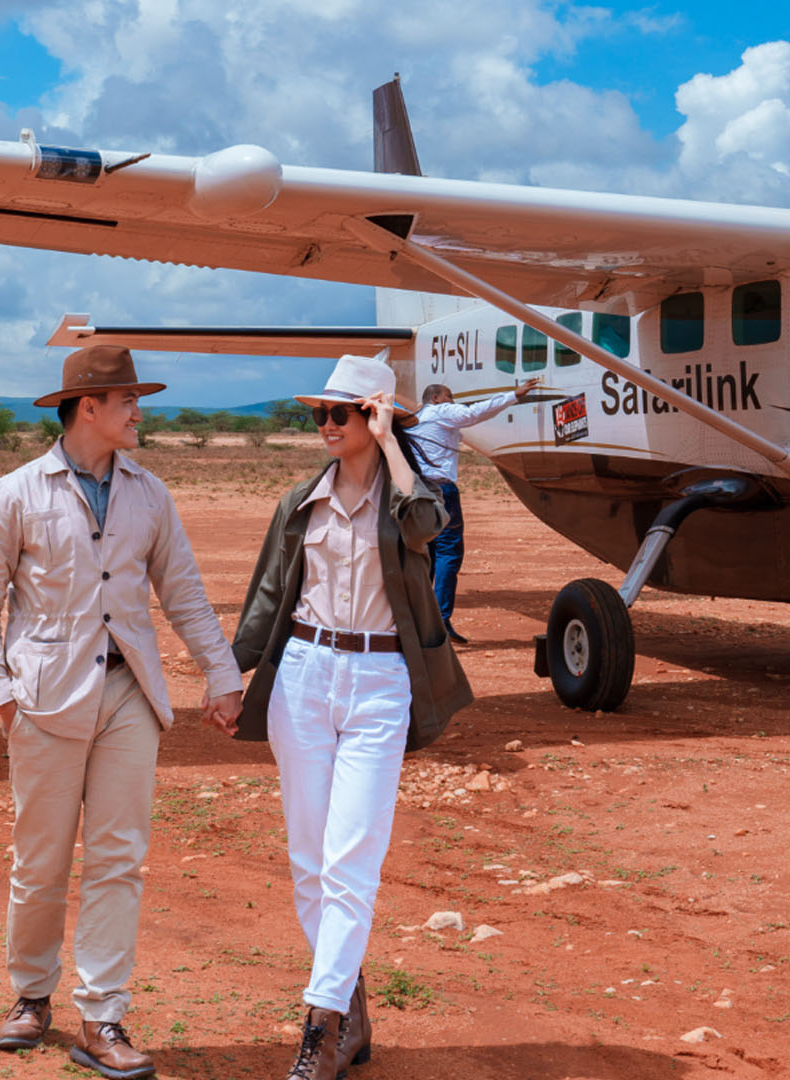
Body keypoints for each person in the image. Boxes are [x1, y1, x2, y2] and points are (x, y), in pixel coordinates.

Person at [0, 344, 244, 1080]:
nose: (139, 412)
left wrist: (222, 675)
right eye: (128, 401)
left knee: (119, 859)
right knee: (41, 860)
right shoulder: (15, 493)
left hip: (128, 696)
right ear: (89, 408)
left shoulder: (150, 494)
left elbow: (183, 591)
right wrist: (0, 695)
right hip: (45, 699)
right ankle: (31, 994)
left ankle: (102, 1016)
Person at [225, 353, 473, 1080]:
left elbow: (429, 526)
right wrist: (227, 675)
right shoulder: (300, 501)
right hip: (303, 675)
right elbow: (267, 596)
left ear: (374, 416)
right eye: (321, 414)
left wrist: (393, 443)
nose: (327, 425)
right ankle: (351, 1006)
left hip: (379, 681)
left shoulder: (407, 499)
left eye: (343, 413)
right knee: (309, 863)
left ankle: (320, 1026)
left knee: (351, 861)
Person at [403, 376, 542, 643]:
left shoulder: (414, 420)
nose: (453, 401)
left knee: (425, 552)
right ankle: (440, 620)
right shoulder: (441, 411)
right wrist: (514, 395)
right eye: (449, 396)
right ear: (436, 398)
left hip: (417, 491)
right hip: (442, 491)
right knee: (448, 551)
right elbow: (474, 413)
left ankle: (417, 620)